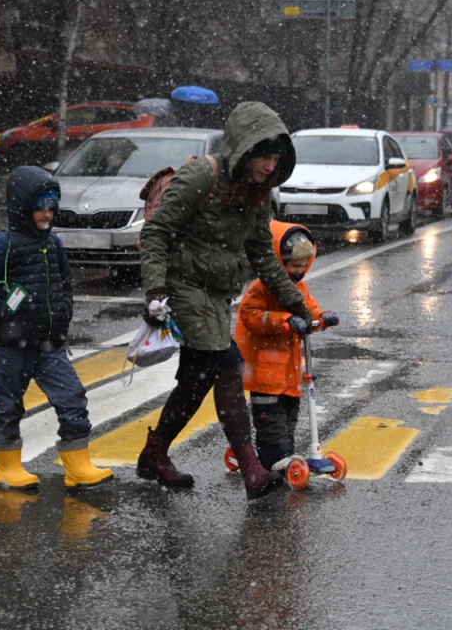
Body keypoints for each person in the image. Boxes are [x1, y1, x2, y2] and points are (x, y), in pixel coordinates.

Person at [137, 101, 314, 501]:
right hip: (181, 288)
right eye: (263, 156)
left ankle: (155, 452)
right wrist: (154, 290)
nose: (270, 166)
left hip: (216, 296)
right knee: (228, 367)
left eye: (276, 159)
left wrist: (296, 304)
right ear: (243, 149)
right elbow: (157, 233)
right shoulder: (204, 175)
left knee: (197, 381)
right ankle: (252, 468)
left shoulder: (257, 193)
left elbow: (263, 254)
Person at [0, 165, 113, 492]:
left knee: (72, 397)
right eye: (40, 206)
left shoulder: (55, 245)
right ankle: (6, 468)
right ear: (22, 207)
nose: (48, 213)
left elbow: (64, 284)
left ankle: (77, 466)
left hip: (49, 343)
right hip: (12, 344)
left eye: (52, 206)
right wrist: (1, 311)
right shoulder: (1, 247)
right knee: (8, 404)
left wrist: (63, 314)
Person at [234, 220, 339, 471]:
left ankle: (285, 452)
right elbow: (249, 315)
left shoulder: (300, 288)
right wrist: (284, 320)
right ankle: (273, 458)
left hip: (289, 374)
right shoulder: (262, 288)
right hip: (264, 372)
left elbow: (309, 309)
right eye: (294, 265)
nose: (299, 271)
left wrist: (322, 316)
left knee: (290, 415)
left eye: (304, 266)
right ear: (279, 261)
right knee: (270, 418)